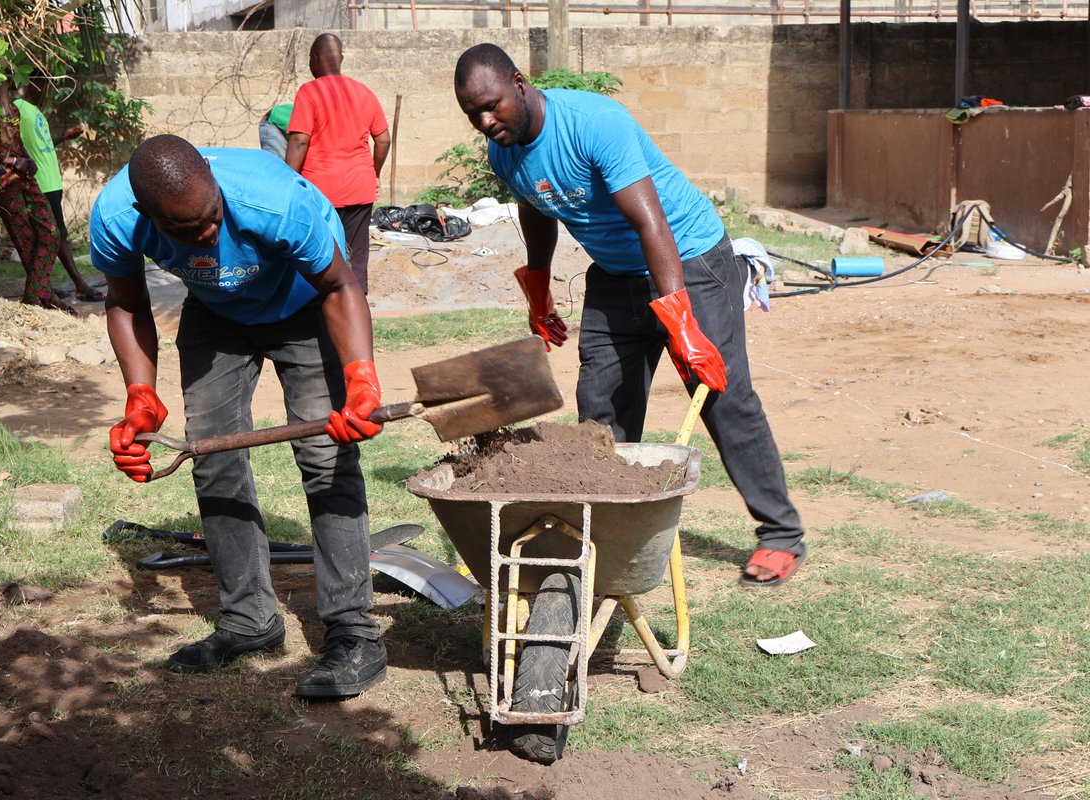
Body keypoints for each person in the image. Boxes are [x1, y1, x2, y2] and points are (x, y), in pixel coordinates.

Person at [453, 44, 807, 588]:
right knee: (599, 411)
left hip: (688, 259)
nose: (484, 121)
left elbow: (652, 225)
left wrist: (684, 327)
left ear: (519, 83)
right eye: (472, 112)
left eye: (492, 105)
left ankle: (780, 534)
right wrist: (539, 290)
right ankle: (597, 532)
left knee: (721, 394)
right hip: (615, 277)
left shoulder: (595, 123)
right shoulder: (502, 150)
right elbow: (537, 209)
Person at [90, 134, 389, 696]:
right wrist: (140, 393)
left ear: (211, 177)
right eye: (185, 231)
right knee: (212, 455)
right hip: (218, 313)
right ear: (146, 214)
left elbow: (339, 284)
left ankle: (354, 631)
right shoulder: (114, 216)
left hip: (306, 302)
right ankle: (250, 619)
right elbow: (127, 301)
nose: (206, 235)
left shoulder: (276, 200)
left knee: (326, 455)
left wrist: (361, 379)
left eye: (211, 218)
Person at [285, 33, 390, 293]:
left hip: (321, 192)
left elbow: (299, 141)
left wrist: (286, 181)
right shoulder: (364, 92)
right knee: (357, 256)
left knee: (324, 254)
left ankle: (327, 309)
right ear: (340, 58)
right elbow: (384, 140)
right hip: (359, 187)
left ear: (314, 60)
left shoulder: (309, 92)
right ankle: (358, 306)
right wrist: (373, 172)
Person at [15, 78, 103, 302]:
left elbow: (40, 145)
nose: (46, 92)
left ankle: (43, 285)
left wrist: (63, 137)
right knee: (57, 235)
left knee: (47, 236)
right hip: (40, 182)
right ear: (34, 85)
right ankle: (79, 284)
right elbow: (14, 142)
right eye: (43, 86)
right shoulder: (18, 108)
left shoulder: (36, 112)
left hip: (52, 181)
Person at [0, 95, 75, 314]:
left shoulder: (10, 105)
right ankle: (42, 298)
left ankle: (35, 299)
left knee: (51, 234)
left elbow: (17, 142)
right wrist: (12, 162)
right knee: (26, 242)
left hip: (26, 177)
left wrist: (27, 160)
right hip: (5, 182)